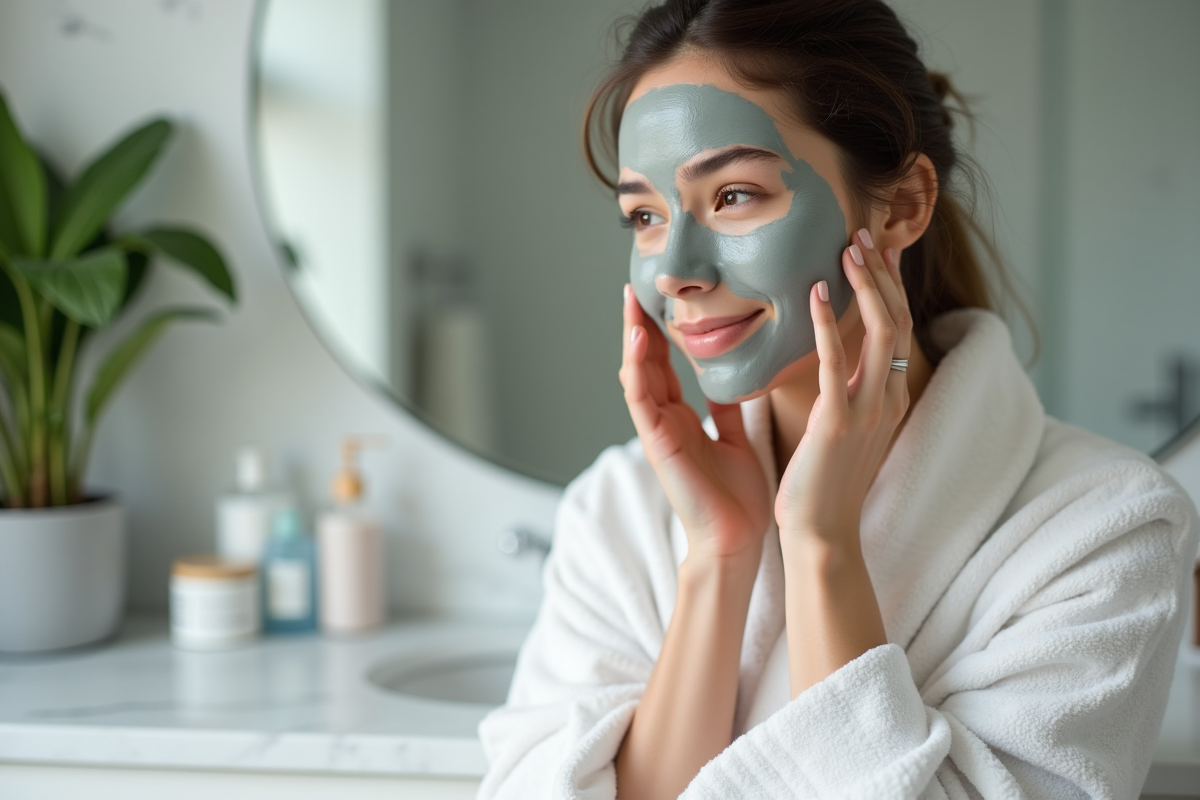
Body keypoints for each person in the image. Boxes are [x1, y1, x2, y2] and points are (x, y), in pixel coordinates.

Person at [478, 1, 1199, 798]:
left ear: (902, 206)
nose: (675, 270)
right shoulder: (616, 511)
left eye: (735, 196)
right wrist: (719, 557)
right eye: (644, 216)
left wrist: (822, 546)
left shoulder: (1104, 530)